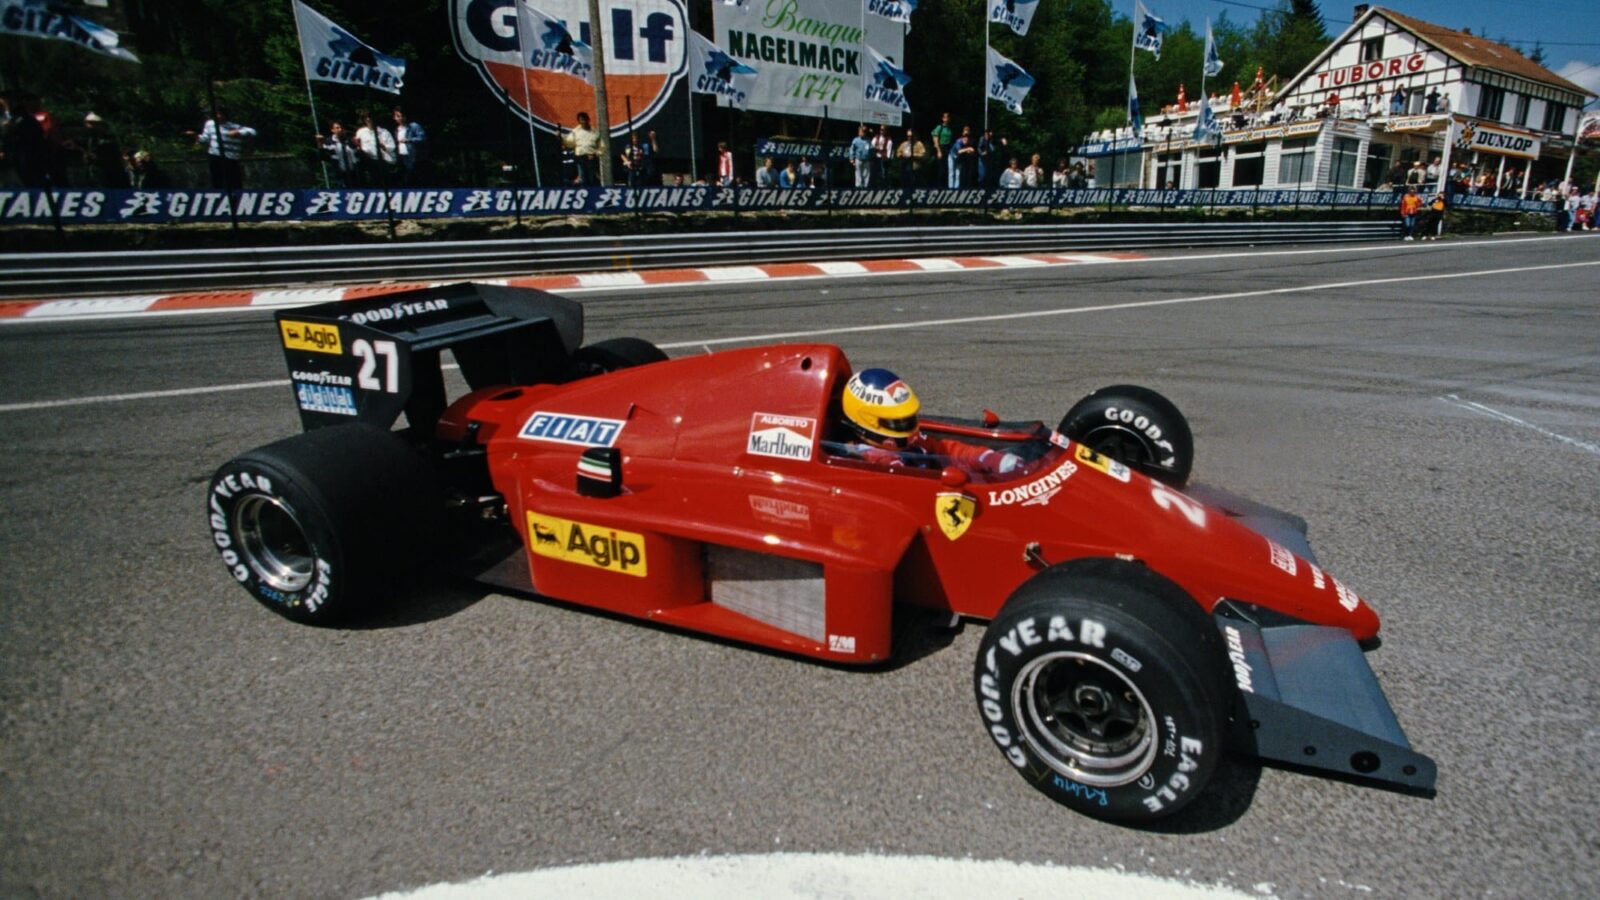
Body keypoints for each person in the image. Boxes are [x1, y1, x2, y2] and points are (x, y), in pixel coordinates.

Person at [835, 368, 1023, 475]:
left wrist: (987, 458)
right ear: (868, 423)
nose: (907, 427)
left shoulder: (910, 442)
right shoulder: (870, 460)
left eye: (908, 419)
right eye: (897, 422)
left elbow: (945, 449)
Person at [195, 106, 255, 191]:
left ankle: (236, 196)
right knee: (217, 179)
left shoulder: (233, 126)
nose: (218, 116)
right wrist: (196, 137)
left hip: (231, 157)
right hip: (215, 155)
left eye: (220, 114)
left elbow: (252, 132)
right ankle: (218, 195)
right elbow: (205, 138)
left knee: (234, 181)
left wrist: (238, 132)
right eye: (216, 114)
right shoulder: (209, 124)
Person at [80, 112, 127, 188]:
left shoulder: (110, 140)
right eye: (88, 124)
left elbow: (113, 159)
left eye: (93, 124)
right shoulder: (88, 140)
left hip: (108, 177)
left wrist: (96, 157)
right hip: (91, 176)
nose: (90, 126)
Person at [563, 112, 599, 186]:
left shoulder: (595, 132)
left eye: (585, 119)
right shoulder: (575, 132)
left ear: (588, 120)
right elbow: (569, 143)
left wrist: (595, 154)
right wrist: (560, 138)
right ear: (579, 121)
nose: (583, 121)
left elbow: (601, 146)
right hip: (580, 157)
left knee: (592, 178)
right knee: (582, 178)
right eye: (581, 120)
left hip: (591, 157)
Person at [318, 120, 358, 187]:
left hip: (352, 172)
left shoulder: (349, 140)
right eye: (337, 128)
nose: (340, 130)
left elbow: (357, 155)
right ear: (332, 130)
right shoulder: (328, 142)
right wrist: (320, 145)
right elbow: (323, 156)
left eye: (341, 128)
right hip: (338, 173)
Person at [392, 108, 426, 184]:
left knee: (412, 176)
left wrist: (409, 140)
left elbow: (422, 138)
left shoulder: (414, 126)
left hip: (412, 155)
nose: (400, 118)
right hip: (401, 155)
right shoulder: (397, 129)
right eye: (397, 116)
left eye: (401, 116)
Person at [931, 111, 953, 187]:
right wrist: (939, 151)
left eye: (948, 117)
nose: (946, 119)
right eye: (945, 117)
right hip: (941, 147)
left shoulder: (949, 128)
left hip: (948, 149)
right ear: (943, 119)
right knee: (941, 169)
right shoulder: (939, 127)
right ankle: (939, 186)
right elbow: (935, 138)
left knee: (947, 168)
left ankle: (946, 186)